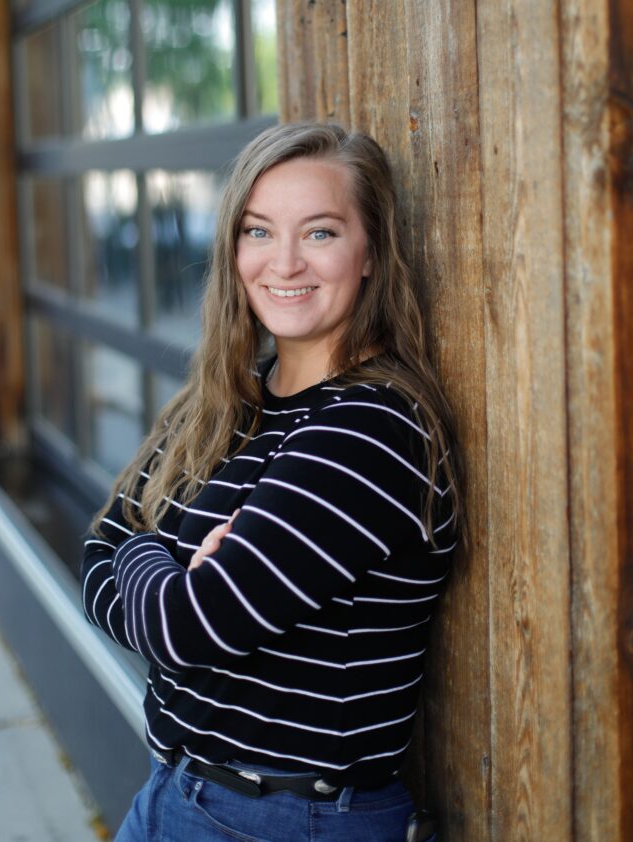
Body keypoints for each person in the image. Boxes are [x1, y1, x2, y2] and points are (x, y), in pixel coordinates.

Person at [81, 122, 462, 842]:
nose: (283, 262)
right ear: (232, 248)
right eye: (259, 231)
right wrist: (158, 564)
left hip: (284, 819)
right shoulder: (226, 406)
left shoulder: (371, 432)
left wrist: (145, 553)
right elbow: (98, 549)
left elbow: (187, 625)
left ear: (371, 252)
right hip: (174, 791)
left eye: (319, 233)